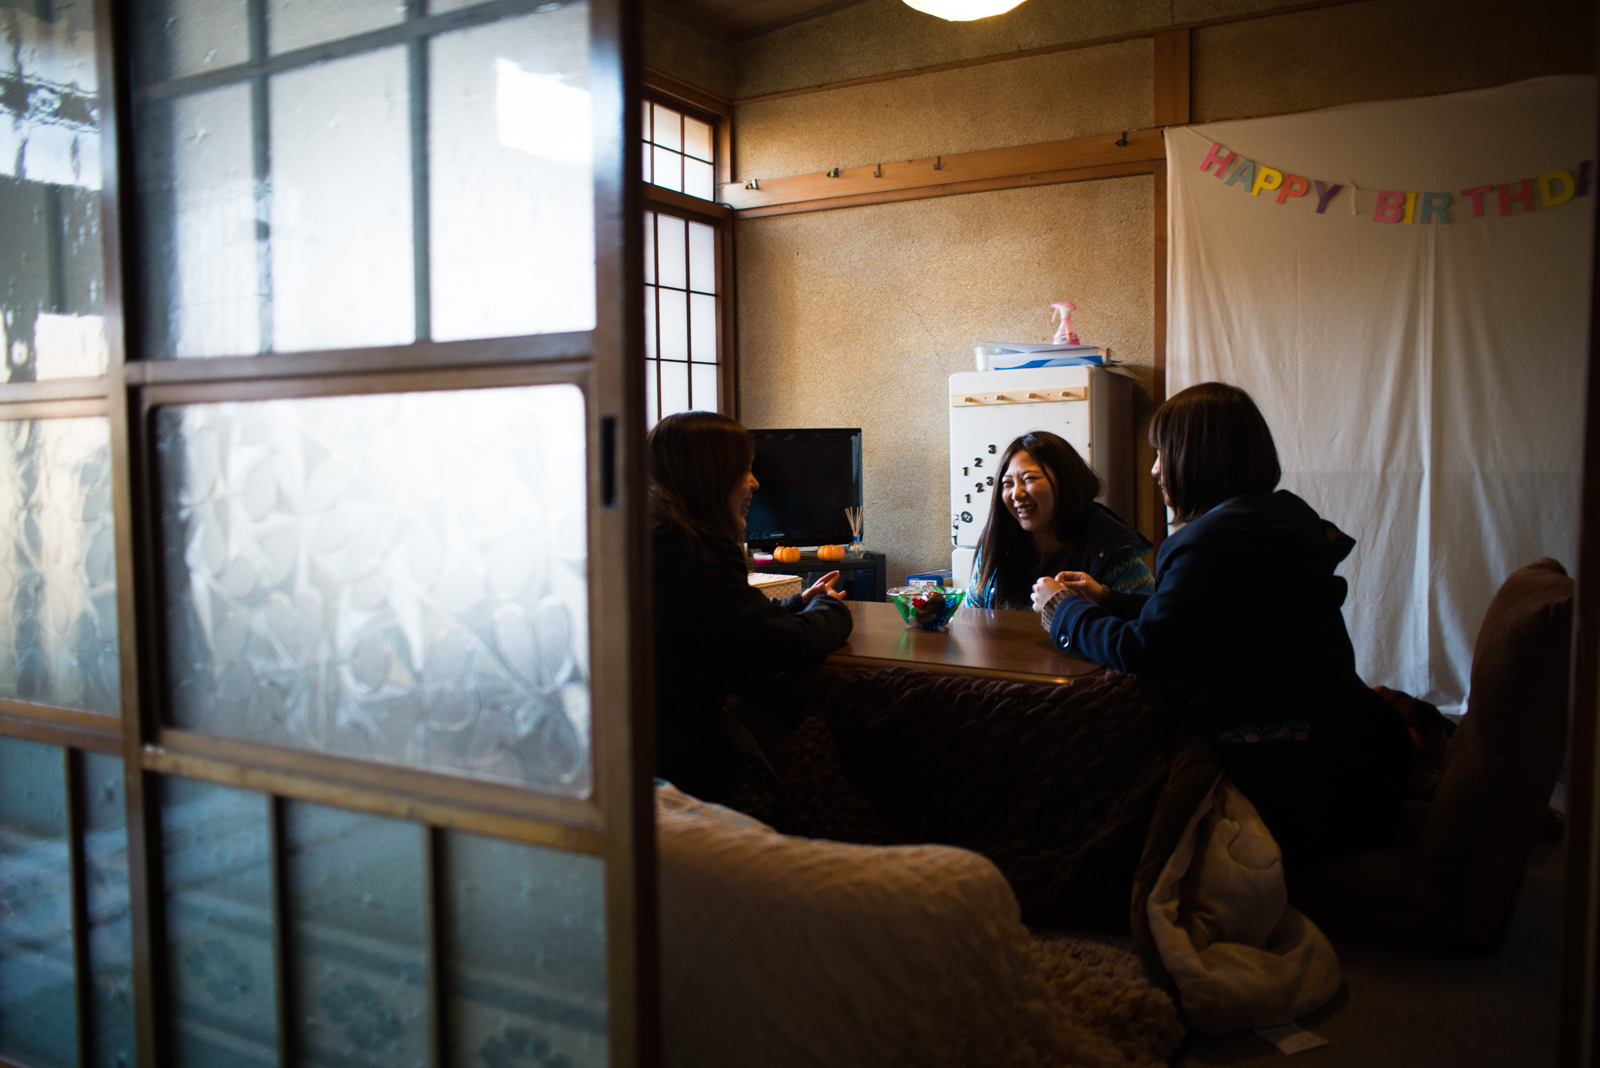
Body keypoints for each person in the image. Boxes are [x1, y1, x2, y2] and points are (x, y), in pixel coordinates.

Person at [1032, 383, 1413, 867]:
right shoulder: (1270, 521)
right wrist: (1107, 598)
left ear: (1197, 458)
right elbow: (1202, 613)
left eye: (1161, 454)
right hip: (1345, 750)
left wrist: (1063, 611)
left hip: (1293, 775)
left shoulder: (1212, 542)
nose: (1154, 470)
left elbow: (1146, 651)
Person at [650, 410, 853, 803]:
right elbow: (784, 646)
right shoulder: (693, 553)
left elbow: (728, 620)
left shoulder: (655, 537)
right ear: (710, 476)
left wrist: (797, 602)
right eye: (745, 469)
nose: (755, 483)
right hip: (683, 766)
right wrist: (831, 608)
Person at [966, 430, 1153, 611]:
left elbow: (1149, 620)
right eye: (1008, 483)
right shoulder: (1000, 541)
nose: (1016, 494)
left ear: (1066, 482)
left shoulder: (1108, 546)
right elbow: (972, 613)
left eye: (1029, 479)